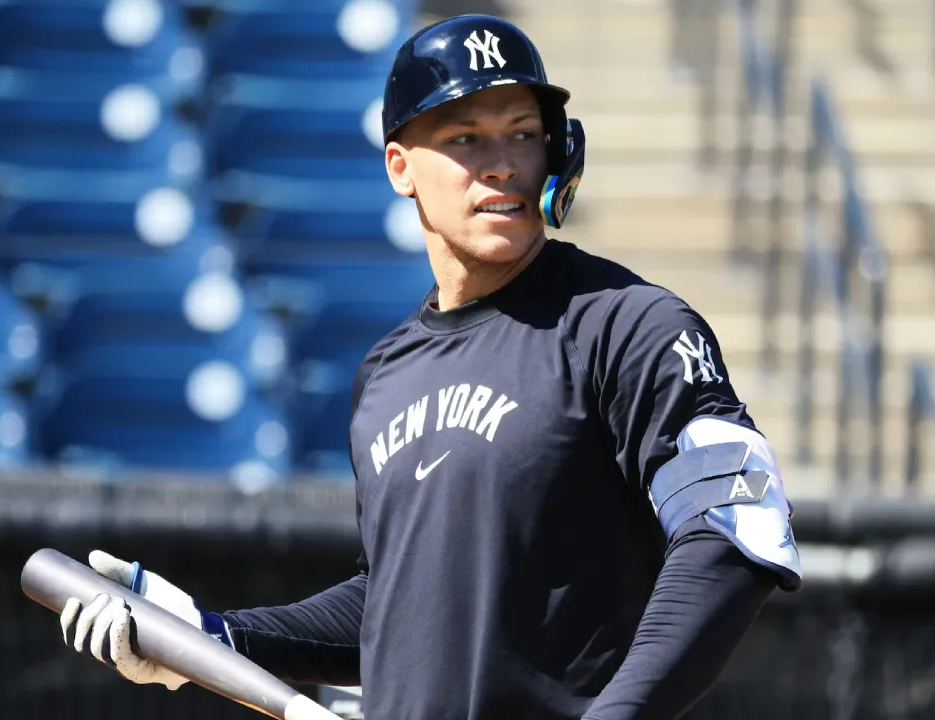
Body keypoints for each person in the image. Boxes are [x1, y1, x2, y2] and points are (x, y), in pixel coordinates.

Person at [60, 13, 802, 720]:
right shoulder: (386, 373)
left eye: (523, 134)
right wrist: (213, 635)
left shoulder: (627, 324)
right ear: (400, 167)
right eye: (466, 138)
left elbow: (735, 531)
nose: (504, 165)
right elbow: (394, 606)